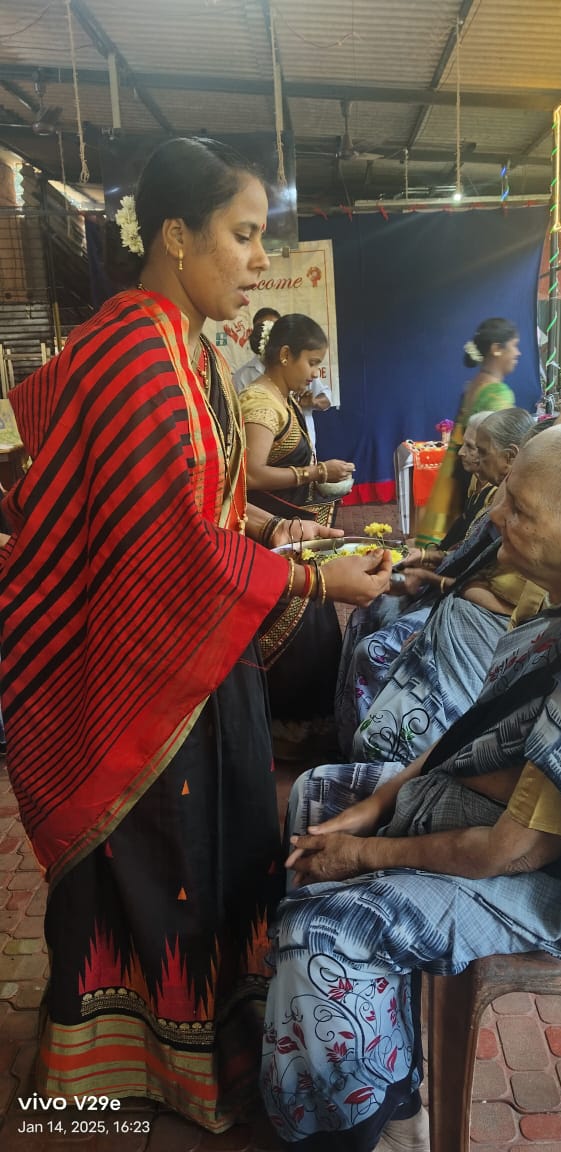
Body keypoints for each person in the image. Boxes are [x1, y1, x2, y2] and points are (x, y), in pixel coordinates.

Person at [0, 137, 392, 1136]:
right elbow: (167, 541)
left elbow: (195, 497)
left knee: (211, 847)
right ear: (177, 235)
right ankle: (130, 1065)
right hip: (144, 660)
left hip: (194, 647)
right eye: (245, 235)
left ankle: (201, 1038)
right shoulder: (140, 354)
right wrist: (318, 576)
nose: (259, 261)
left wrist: (265, 525)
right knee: (161, 853)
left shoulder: (188, 346)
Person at [261, 422, 561, 1152]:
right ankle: (360, 1044)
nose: (495, 513)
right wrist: (376, 805)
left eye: (519, 509)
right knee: (318, 795)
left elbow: (509, 852)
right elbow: (470, 731)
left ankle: (373, 1120)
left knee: (325, 928)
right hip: (507, 817)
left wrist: (365, 855)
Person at [339, 408, 538, 762]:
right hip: (458, 602)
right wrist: (430, 558)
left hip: (476, 620)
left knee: (373, 650)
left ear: (511, 457)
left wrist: (435, 580)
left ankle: (380, 752)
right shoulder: (493, 493)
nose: (467, 457)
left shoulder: (531, 520)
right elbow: (465, 554)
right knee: (366, 611)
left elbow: (505, 599)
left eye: (480, 450)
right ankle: (351, 738)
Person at [240, 313, 355, 755]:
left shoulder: (280, 397)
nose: (314, 373)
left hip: (294, 535)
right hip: (272, 536)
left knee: (314, 628)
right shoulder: (260, 403)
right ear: (285, 355)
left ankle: (308, 725)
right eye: (311, 362)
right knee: (297, 633)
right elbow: (251, 474)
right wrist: (315, 472)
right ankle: (285, 730)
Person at [416, 317, 520, 548]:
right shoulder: (497, 392)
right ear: (496, 349)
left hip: (460, 473)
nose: (517, 353)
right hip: (481, 477)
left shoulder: (474, 384)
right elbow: (499, 447)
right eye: (514, 345)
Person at [232, 305, 281, 393]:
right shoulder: (241, 377)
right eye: (262, 329)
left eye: (274, 330)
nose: (269, 335)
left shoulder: (291, 370)